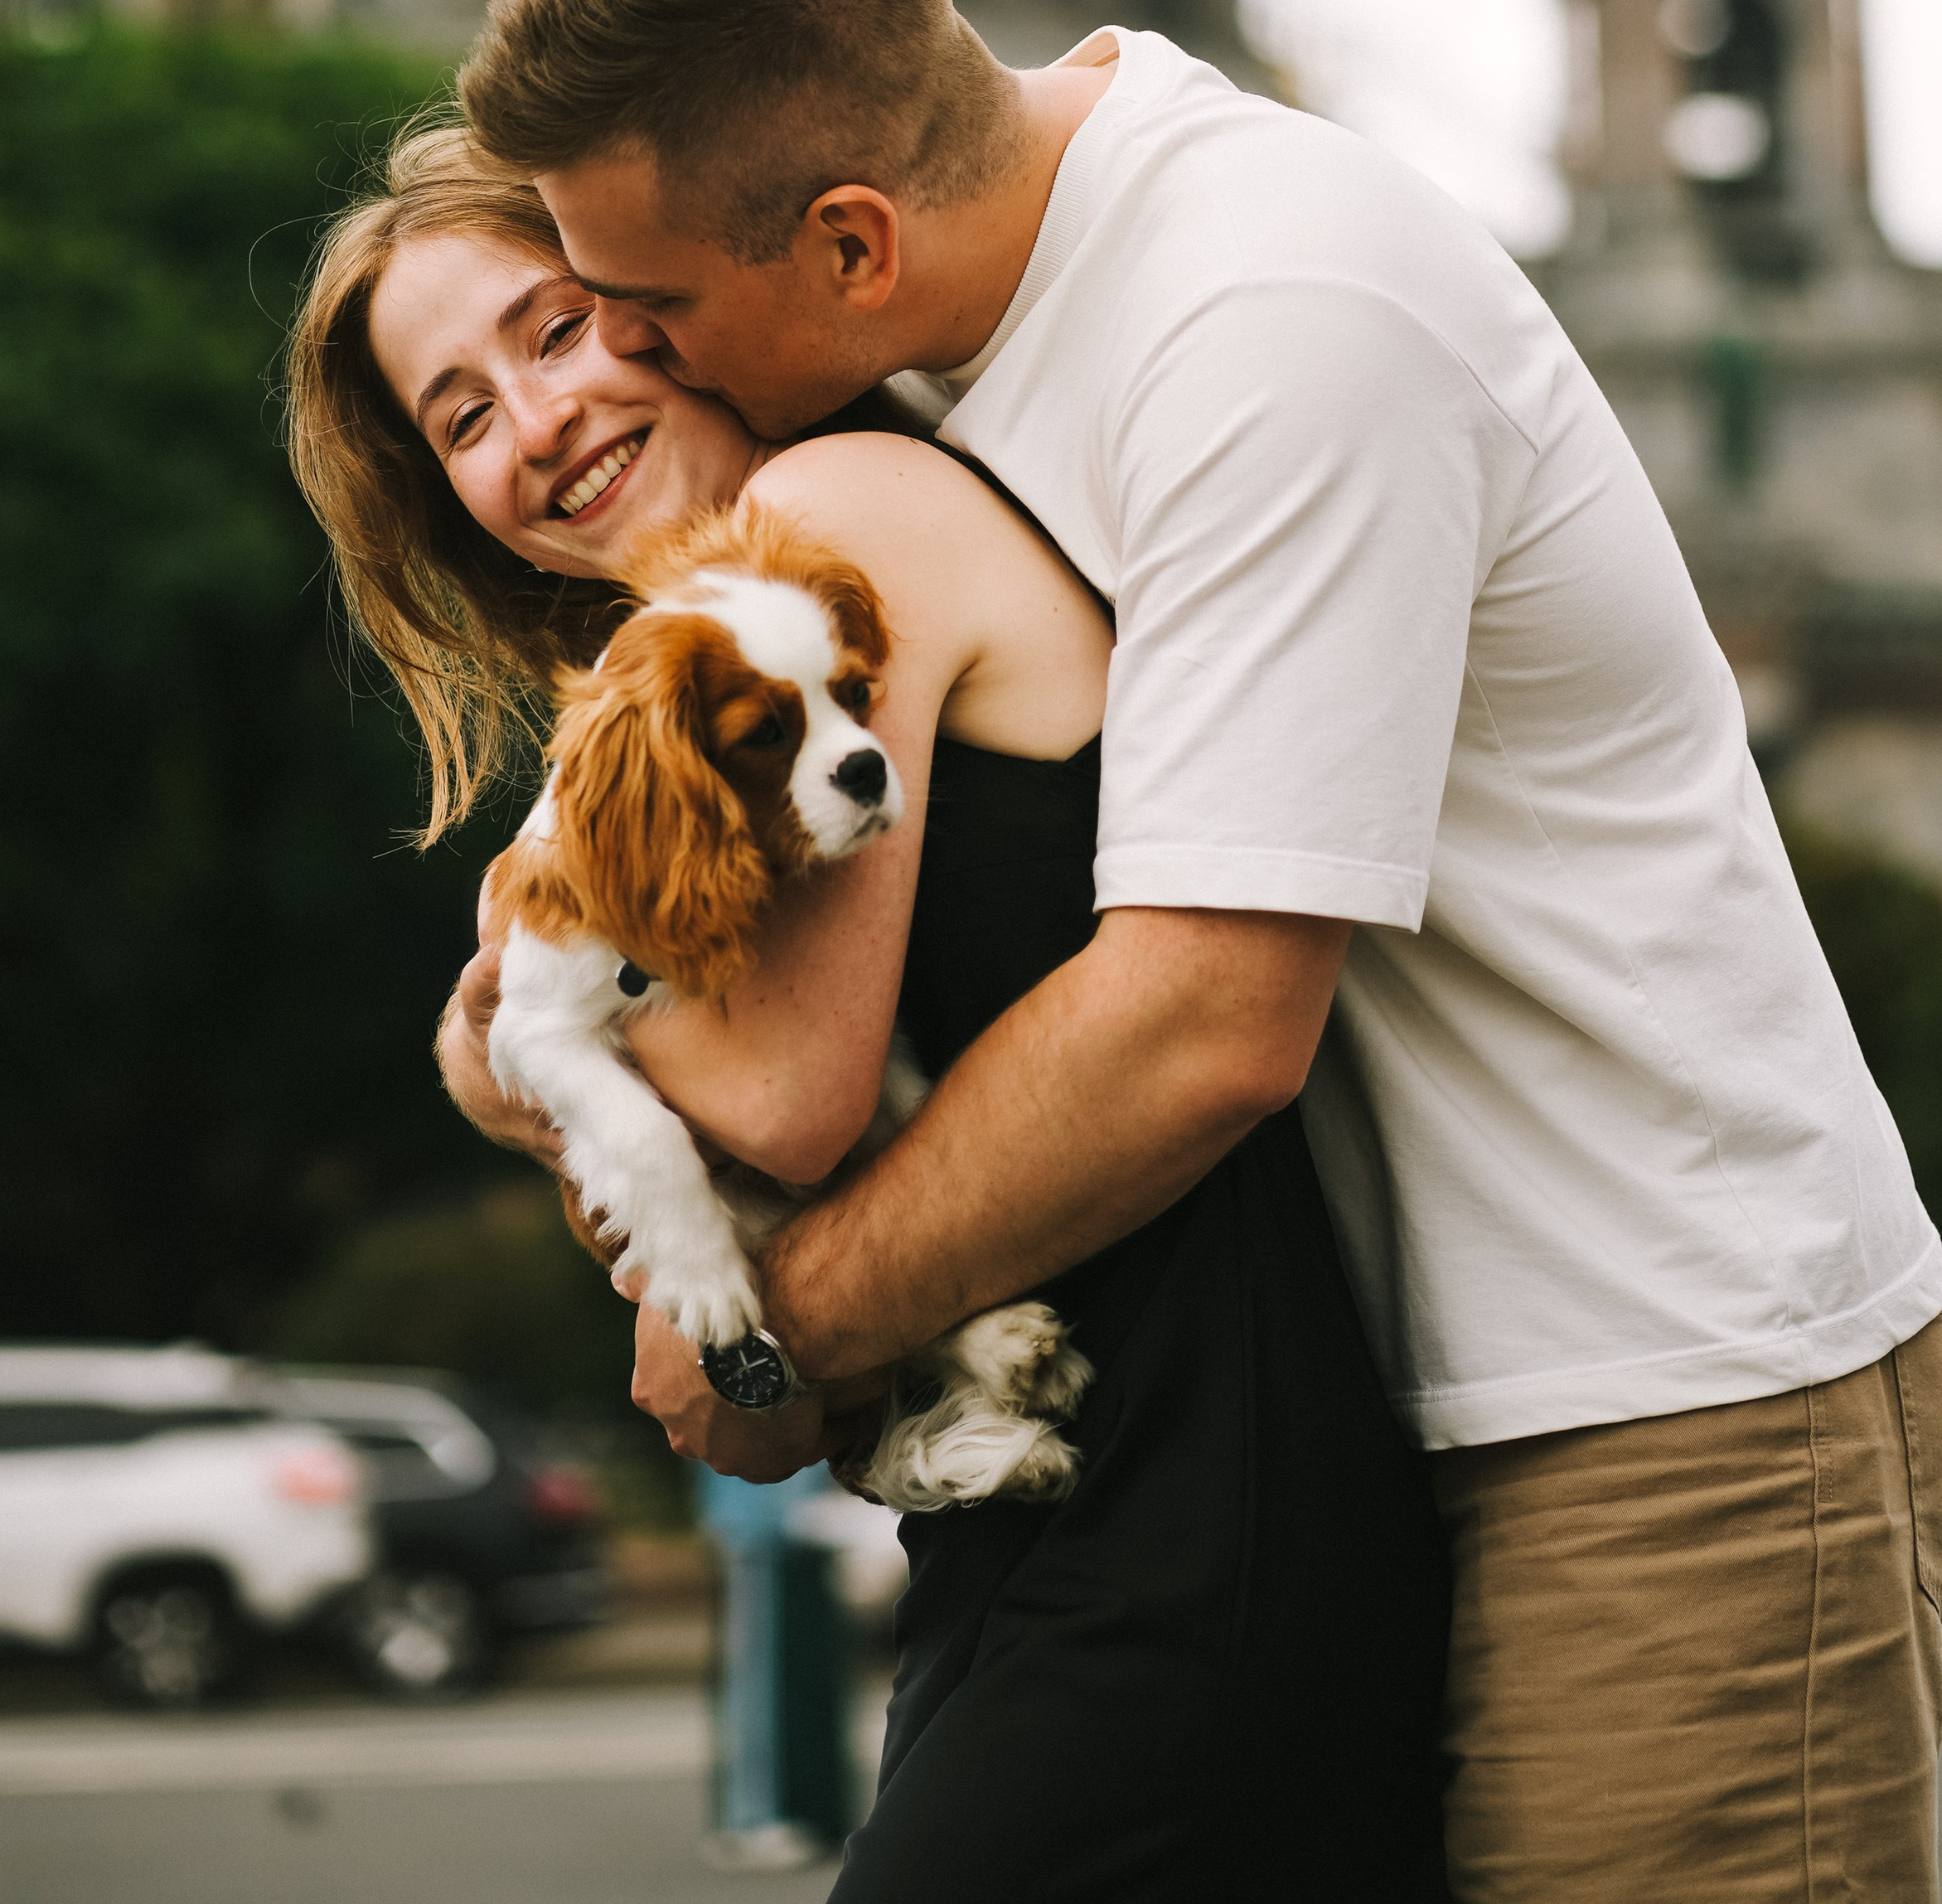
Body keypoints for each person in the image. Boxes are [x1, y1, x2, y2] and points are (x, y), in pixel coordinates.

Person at [438, 0, 1942, 1904]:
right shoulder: (984, 327)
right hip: (1371, 1419)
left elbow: (1204, 1020)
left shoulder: (1263, 319)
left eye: (657, 308)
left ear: (852, 242)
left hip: (1649, 1396)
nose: (635, 363)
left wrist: (783, 1326)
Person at [285, 128, 1454, 1898]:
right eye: (457, 418)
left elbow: (779, 1108)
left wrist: (495, 1041)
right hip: (1047, 1524)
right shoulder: (701, 685)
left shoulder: (832, 522)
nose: (533, 427)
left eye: (553, 330)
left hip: (1186, 1504)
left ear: (659, 296)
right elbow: (739, 1366)